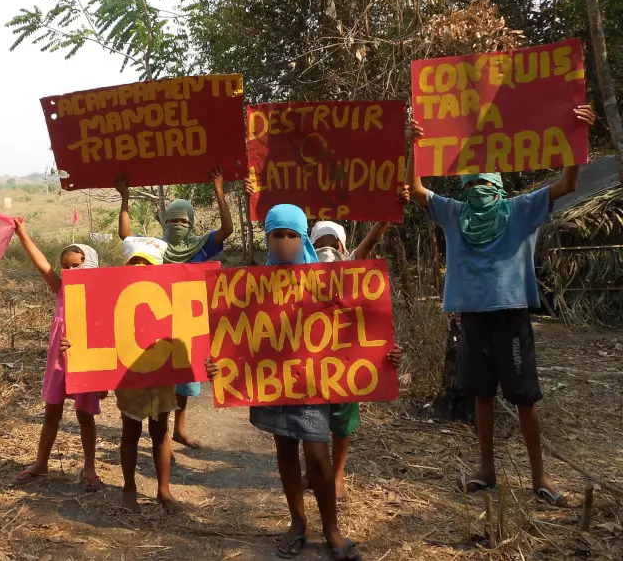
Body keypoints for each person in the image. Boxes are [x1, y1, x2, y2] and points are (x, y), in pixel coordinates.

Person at [406, 104, 597, 507]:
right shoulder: (456, 215)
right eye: (471, 183)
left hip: (511, 318)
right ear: (464, 189)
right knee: (481, 395)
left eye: (484, 184)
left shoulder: (519, 210)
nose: (478, 190)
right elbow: (418, 192)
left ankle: (539, 476)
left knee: (524, 398)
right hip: (473, 319)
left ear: (498, 188)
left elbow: (566, 184)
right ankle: (486, 469)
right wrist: (415, 147)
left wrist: (574, 137)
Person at [205, 204, 401, 560]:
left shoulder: (326, 278)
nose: (284, 242)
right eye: (277, 235)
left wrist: (385, 355)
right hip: (272, 386)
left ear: (302, 237)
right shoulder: (248, 286)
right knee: (284, 451)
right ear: (267, 237)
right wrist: (217, 365)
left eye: (292, 235)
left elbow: (357, 325)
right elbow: (233, 339)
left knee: (316, 455)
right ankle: (297, 523)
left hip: (312, 385)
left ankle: (331, 529)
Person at [115, 168, 234, 450]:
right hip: (156, 319)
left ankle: (179, 430)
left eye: (182, 220)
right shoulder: (155, 247)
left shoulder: (201, 248)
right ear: (163, 222)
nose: (176, 225)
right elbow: (126, 236)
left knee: (186, 381)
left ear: (191, 223)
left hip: (188, 319)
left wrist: (218, 189)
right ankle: (163, 435)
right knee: (159, 378)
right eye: (171, 220)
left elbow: (227, 230)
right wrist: (124, 199)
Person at [306, 188, 409, 503]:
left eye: (330, 243)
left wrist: (390, 213)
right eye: (318, 244)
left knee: (341, 422)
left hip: (346, 360)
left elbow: (372, 241)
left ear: (341, 246)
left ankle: (336, 475)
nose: (325, 249)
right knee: (310, 419)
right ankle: (313, 471)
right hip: (310, 360)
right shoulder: (298, 274)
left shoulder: (351, 265)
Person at [64, 236, 179, 513]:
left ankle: (164, 490)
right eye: (135, 262)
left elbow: (188, 332)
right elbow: (98, 331)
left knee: (161, 431)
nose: (140, 268)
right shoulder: (114, 298)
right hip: (129, 378)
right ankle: (129, 487)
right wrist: (75, 348)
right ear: (125, 266)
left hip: (162, 377)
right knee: (130, 431)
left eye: (147, 263)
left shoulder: (172, 296)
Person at [12, 219, 106, 491]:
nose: (70, 271)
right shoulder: (62, 290)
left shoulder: (101, 297)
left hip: (86, 362)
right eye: (66, 266)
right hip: (58, 362)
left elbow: (107, 339)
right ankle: (41, 462)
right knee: (51, 412)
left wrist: (102, 379)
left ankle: (89, 468)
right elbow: (41, 263)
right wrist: (23, 235)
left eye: (77, 265)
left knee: (84, 414)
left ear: (91, 265)